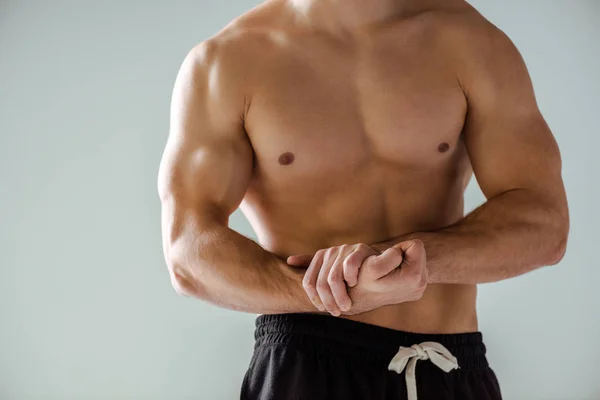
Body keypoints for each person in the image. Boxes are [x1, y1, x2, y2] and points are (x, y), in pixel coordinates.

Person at [157, 0, 569, 398]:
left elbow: (543, 221)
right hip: (305, 366)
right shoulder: (228, 62)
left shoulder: (470, 43)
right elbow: (188, 253)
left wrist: (406, 259)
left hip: (444, 366)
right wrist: (333, 291)